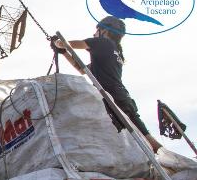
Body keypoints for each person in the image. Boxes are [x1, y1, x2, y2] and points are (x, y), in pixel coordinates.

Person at [53, 16, 162, 153]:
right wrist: (63, 53)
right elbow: (81, 69)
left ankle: (168, 159)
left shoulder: (103, 43)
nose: (94, 34)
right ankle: (163, 157)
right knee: (138, 132)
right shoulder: (112, 52)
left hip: (112, 95)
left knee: (141, 135)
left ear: (104, 31)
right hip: (118, 95)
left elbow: (69, 44)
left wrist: (58, 43)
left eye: (96, 30)